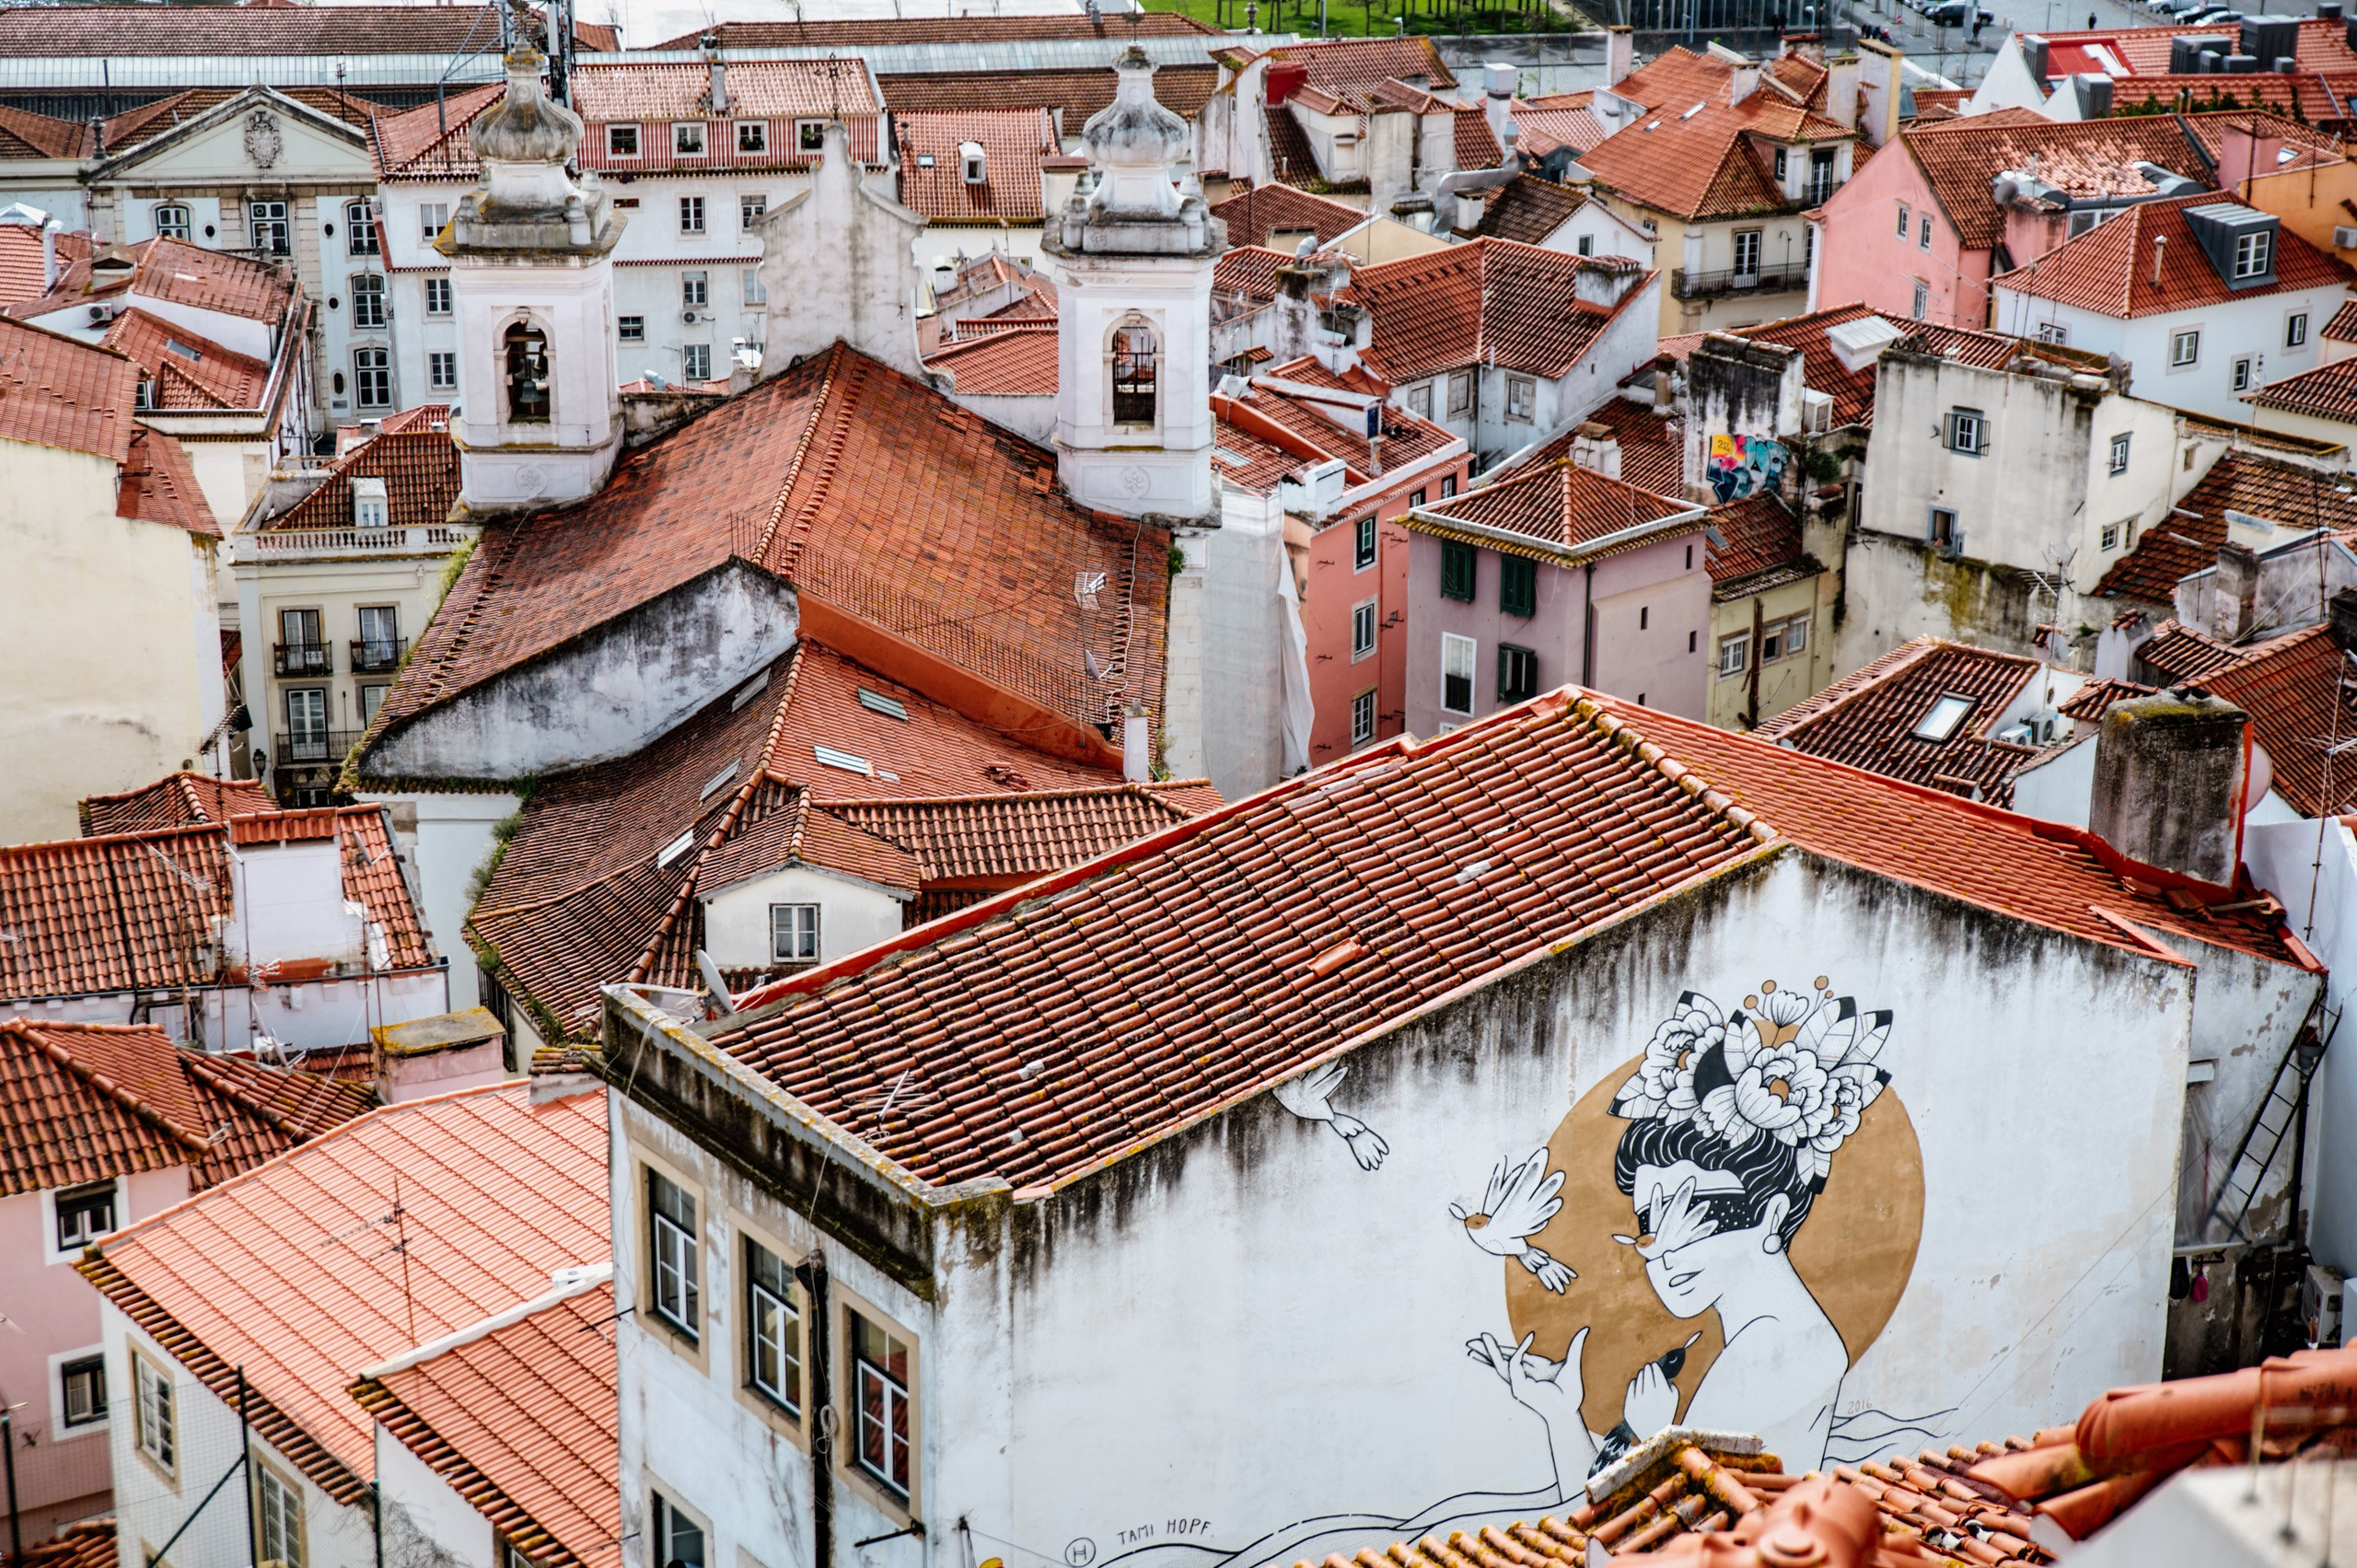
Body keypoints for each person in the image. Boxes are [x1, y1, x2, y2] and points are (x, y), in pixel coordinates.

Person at [1469, 983, 1892, 1485]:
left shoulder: (1772, 1358)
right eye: (1649, 1223)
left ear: (1773, 1217)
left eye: (1695, 1213)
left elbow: (1643, 1543)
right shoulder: (1769, 1340)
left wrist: (1657, 1438)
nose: (1662, 1251)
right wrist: (1561, 1413)